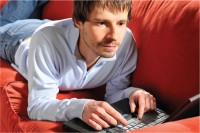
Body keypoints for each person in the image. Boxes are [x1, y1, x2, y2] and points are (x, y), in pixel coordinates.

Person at [0, 0, 157, 131]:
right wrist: (81, 108)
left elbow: (113, 94)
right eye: (102, 23)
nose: (114, 36)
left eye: (121, 23)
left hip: (59, 29)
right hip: (20, 38)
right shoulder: (46, 40)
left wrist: (132, 94)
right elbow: (37, 107)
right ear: (78, 21)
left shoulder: (126, 42)